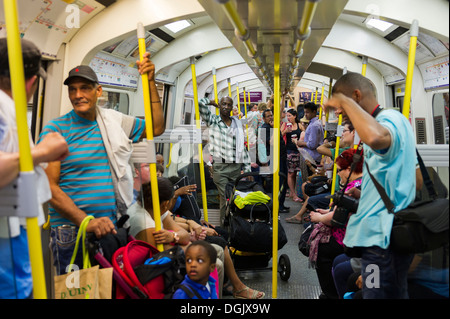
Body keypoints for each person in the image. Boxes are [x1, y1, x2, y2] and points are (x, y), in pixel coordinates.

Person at [38, 52, 164, 275]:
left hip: (107, 228)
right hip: (70, 231)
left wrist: (151, 81)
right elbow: (49, 187)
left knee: (106, 291)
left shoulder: (113, 122)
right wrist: (86, 221)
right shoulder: (55, 130)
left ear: (98, 91)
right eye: (72, 89)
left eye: (84, 88)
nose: (77, 95)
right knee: (76, 295)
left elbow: (156, 128)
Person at [324, 71, 417, 299]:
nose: (338, 111)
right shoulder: (395, 122)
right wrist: (368, 192)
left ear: (356, 96)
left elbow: (377, 139)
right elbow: (414, 177)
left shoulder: (387, 122)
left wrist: (345, 101)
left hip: (380, 244)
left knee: (374, 295)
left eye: (341, 104)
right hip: (388, 237)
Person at [0, 38, 69, 298]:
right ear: (30, 80)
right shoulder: (3, 108)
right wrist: (43, 152)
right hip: (9, 231)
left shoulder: (11, 109)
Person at [129, 168, 265, 299]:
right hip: (161, 265)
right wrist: (187, 241)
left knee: (218, 248)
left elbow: (182, 234)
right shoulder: (144, 223)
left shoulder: (157, 208)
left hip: (173, 250)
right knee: (215, 263)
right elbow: (164, 252)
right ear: (166, 203)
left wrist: (175, 236)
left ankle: (227, 290)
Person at [307, 148, 363, 299]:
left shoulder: (353, 188)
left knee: (320, 248)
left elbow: (336, 219)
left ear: (349, 169)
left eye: (339, 170)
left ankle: (330, 293)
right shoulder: (361, 184)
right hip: (355, 237)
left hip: (348, 239)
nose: (338, 174)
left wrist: (319, 218)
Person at [198, 96, 251, 226]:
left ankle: (226, 228)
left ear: (232, 107)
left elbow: (241, 147)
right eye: (223, 104)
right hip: (220, 167)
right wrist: (212, 102)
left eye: (229, 105)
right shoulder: (213, 121)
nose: (226, 107)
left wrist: (247, 169)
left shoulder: (237, 123)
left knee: (226, 199)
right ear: (220, 105)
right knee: (228, 196)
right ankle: (231, 226)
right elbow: (200, 104)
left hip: (235, 167)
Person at [285, 109, 303, 202]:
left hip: (298, 150)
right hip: (289, 151)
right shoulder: (285, 125)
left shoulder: (299, 125)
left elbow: (305, 134)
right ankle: (294, 193)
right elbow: (280, 135)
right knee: (290, 173)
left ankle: (293, 192)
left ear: (295, 116)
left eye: (290, 116)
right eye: (287, 116)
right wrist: (285, 131)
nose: (288, 118)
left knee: (295, 172)